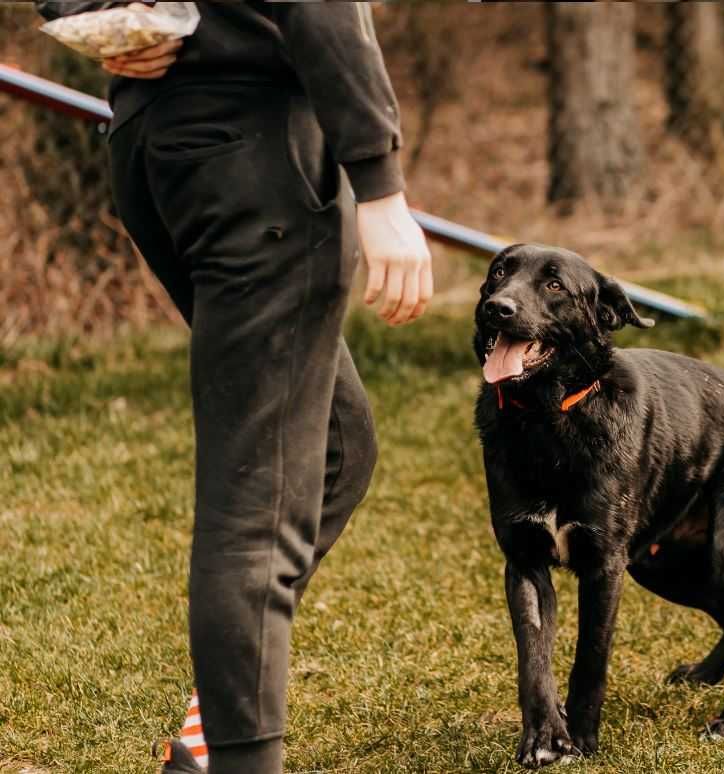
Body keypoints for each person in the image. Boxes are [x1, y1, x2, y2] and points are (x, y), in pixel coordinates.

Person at [33, 3, 433, 772]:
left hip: (158, 151)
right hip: (256, 157)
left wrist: (105, 18)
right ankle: (235, 758)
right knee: (258, 507)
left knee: (336, 450)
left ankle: (209, 731)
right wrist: (380, 188)